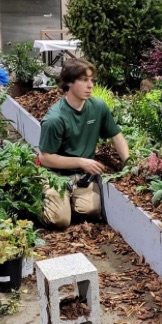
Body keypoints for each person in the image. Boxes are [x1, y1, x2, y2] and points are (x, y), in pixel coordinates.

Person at [38, 59, 129, 229]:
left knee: (91, 211)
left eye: (91, 80)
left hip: (83, 177)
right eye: (84, 80)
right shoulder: (55, 118)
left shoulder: (98, 107)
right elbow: (45, 158)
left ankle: (66, 200)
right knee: (59, 221)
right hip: (55, 175)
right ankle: (45, 196)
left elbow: (116, 135)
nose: (90, 85)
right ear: (69, 83)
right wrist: (80, 161)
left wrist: (128, 162)